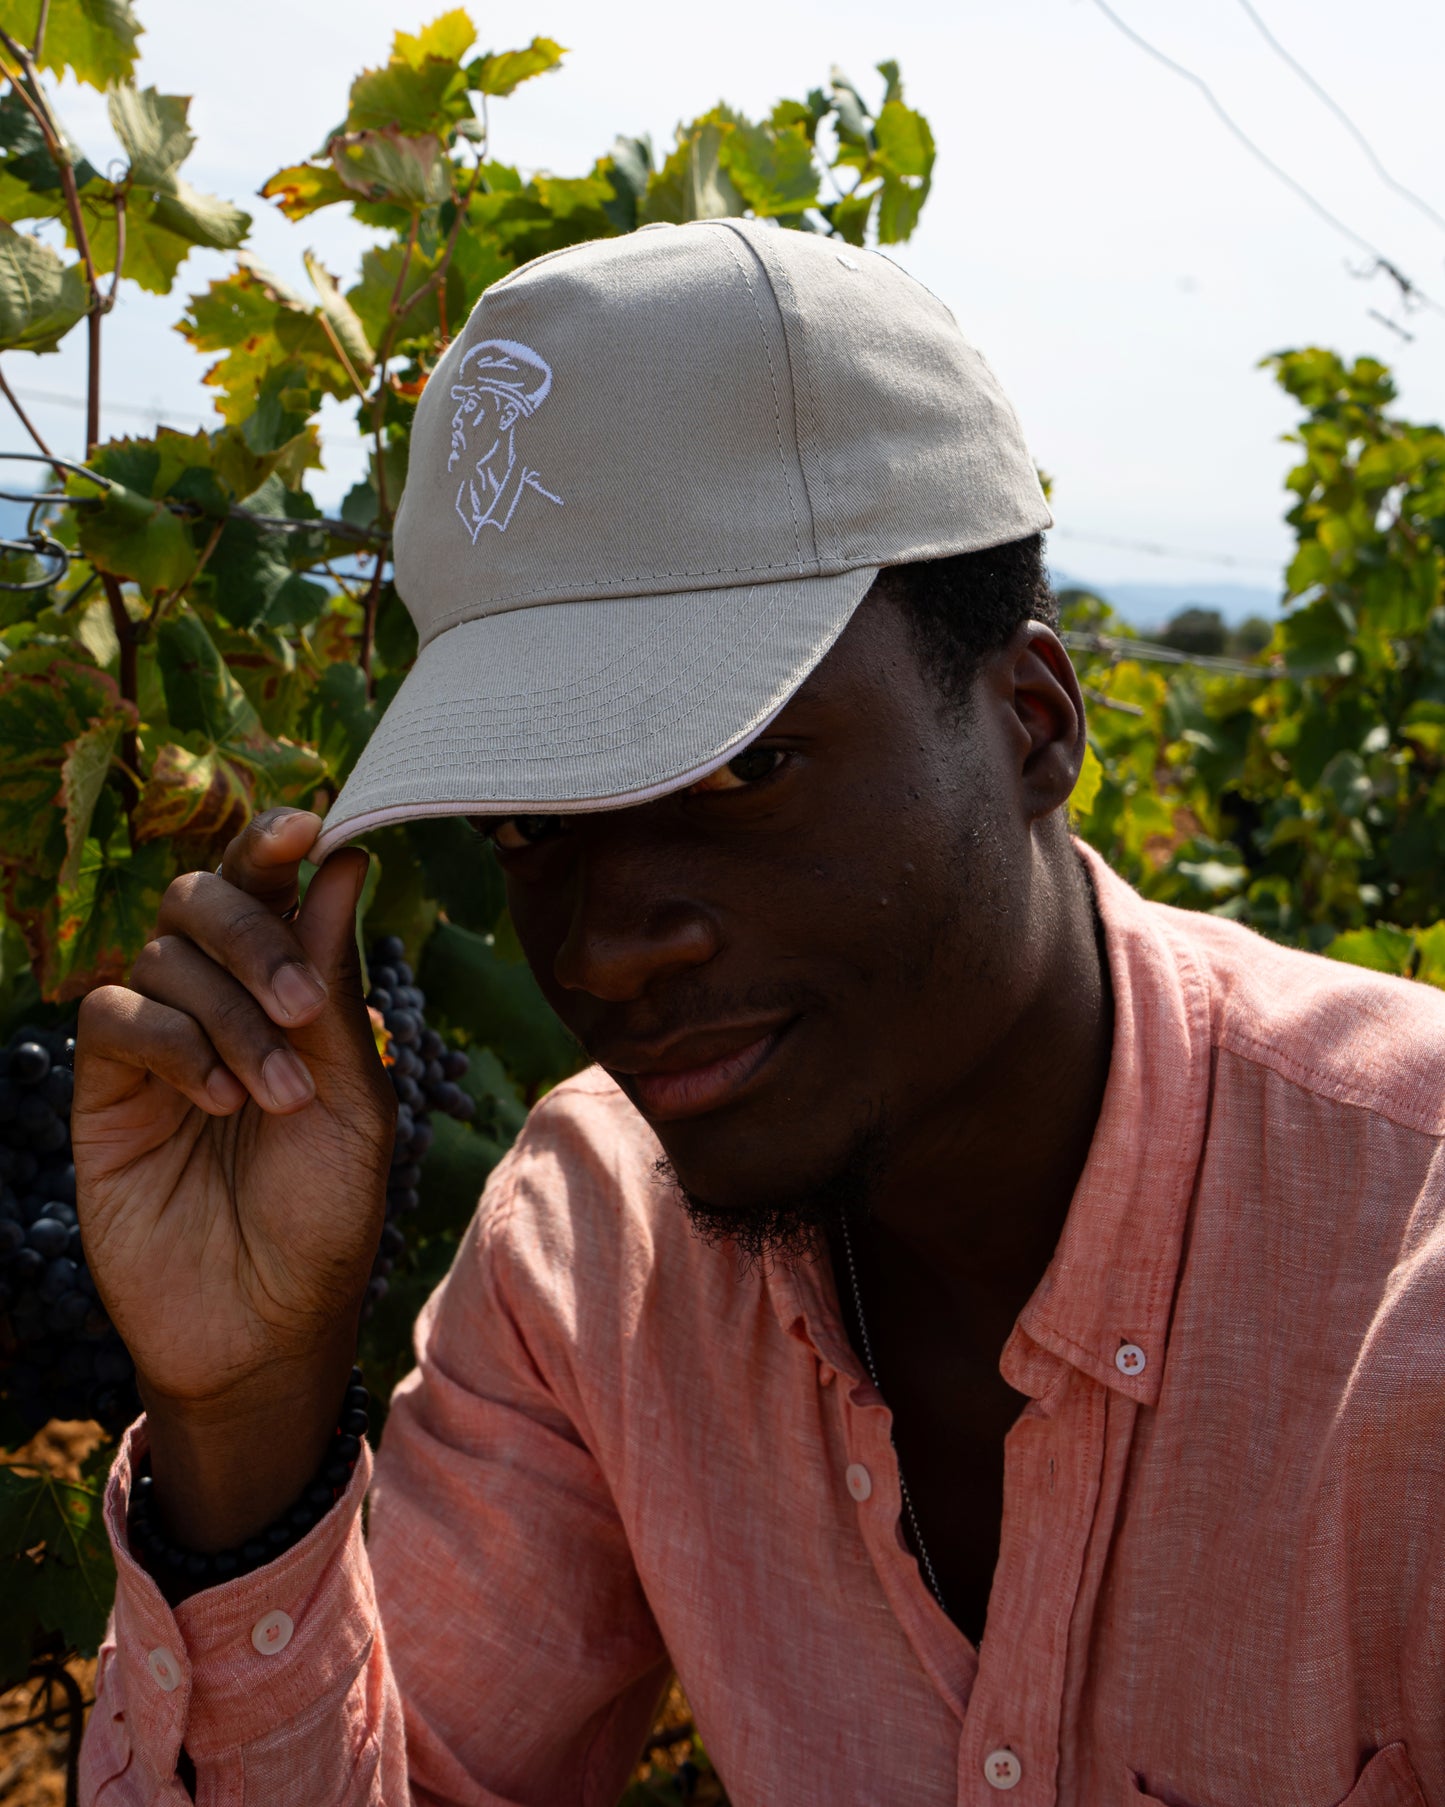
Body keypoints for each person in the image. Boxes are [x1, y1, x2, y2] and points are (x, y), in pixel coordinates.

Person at [74, 220, 1445, 1807]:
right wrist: (240, 1419)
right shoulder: (592, 1247)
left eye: (738, 770)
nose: (602, 947)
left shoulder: (1405, 1283)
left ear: (1031, 723)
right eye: (528, 822)